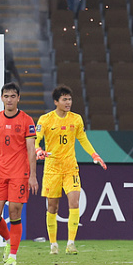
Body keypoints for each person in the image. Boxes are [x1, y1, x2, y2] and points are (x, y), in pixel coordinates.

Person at [35, 85, 107, 255]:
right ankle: (53, 244)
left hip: (70, 167)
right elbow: (36, 139)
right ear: (56, 102)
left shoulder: (76, 119)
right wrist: (38, 150)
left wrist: (94, 155)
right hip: (52, 168)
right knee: (52, 207)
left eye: (69, 99)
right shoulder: (45, 120)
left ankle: (71, 243)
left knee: (74, 202)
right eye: (64, 99)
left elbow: (83, 139)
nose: (68, 102)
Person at [0, 82, 37, 265]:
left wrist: (33, 175)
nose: (9, 100)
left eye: (13, 96)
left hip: (19, 173)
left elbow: (31, 149)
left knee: (14, 212)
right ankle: (8, 240)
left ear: (18, 98)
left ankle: (12, 256)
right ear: (1, 98)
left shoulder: (27, 120)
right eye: (6, 96)